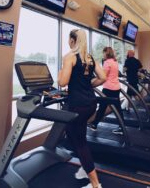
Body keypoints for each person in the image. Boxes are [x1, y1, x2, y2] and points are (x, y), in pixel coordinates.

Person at [58, 29, 106, 188]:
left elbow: (63, 82)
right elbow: (103, 77)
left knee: (79, 142)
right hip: (91, 104)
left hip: (78, 105)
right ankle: (86, 168)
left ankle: (95, 184)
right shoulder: (90, 58)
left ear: (73, 40)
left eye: (68, 39)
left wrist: (60, 74)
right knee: (74, 135)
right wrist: (88, 84)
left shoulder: (70, 56)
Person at [88, 47, 124, 135]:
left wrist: (92, 80)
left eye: (103, 53)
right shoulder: (115, 62)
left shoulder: (107, 62)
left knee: (102, 107)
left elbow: (103, 76)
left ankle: (94, 124)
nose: (103, 54)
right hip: (116, 87)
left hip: (108, 88)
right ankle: (121, 127)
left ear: (107, 53)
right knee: (117, 108)